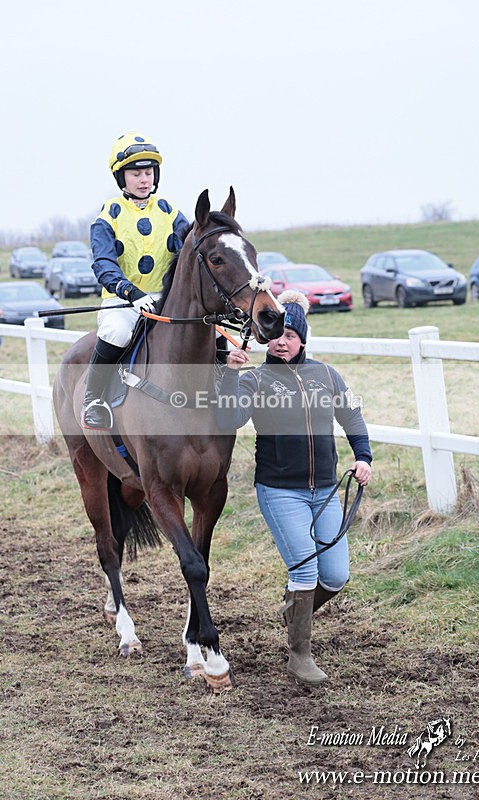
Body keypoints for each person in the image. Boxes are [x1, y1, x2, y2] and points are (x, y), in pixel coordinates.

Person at [215, 290, 372, 686]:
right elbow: (230, 417)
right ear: (266, 339)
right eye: (276, 335)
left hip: (325, 489)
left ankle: (294, 613)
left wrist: (363, 456)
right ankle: (299, 655)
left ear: (303, 338)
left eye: (290, 334)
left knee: (335, 576)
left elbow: (351, 414)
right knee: (304, 569)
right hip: (281, 490)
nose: (282, 341)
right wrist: (230, 374)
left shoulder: (326, 374)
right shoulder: (255, 378)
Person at [81, 132, 190, 429]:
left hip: (166, 301)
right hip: (123, 301)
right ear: (122, 177)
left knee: (212, 333)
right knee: (116, 333)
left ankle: (219, 390)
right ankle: (94, 400)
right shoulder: (109, 215)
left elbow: (190, 255)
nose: (144, 179)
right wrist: (131, 292)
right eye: (135, 173)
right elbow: (103, 263)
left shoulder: (172, 212)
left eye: (148, 172)